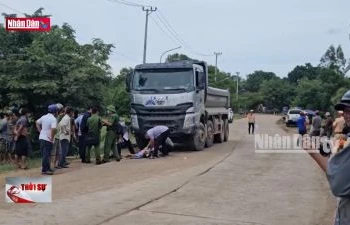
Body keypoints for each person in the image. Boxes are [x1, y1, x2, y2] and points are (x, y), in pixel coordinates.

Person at [304, 90, 350, 224]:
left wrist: (313, 151)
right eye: (345, 111)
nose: (347, 114)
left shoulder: (333, 121)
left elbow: (338, 183)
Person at [36, 105, 58, 175]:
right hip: (48, 139)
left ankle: (47, 168)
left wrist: (40, 131)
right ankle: (45, 170)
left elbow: (36, 122)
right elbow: (53, 129)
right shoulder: (53, 119)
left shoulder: (43, 117)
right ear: (55, 111)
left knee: (45, 154)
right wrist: (51, 137)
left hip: (42, 137)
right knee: (46, 154)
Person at [51, 103, 64, 169]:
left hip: (58, 136)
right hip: (55, 136)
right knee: (54, 152)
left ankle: (56, 164)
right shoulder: (54, 118)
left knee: (59, 152)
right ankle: (52, 165)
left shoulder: (57, 117)